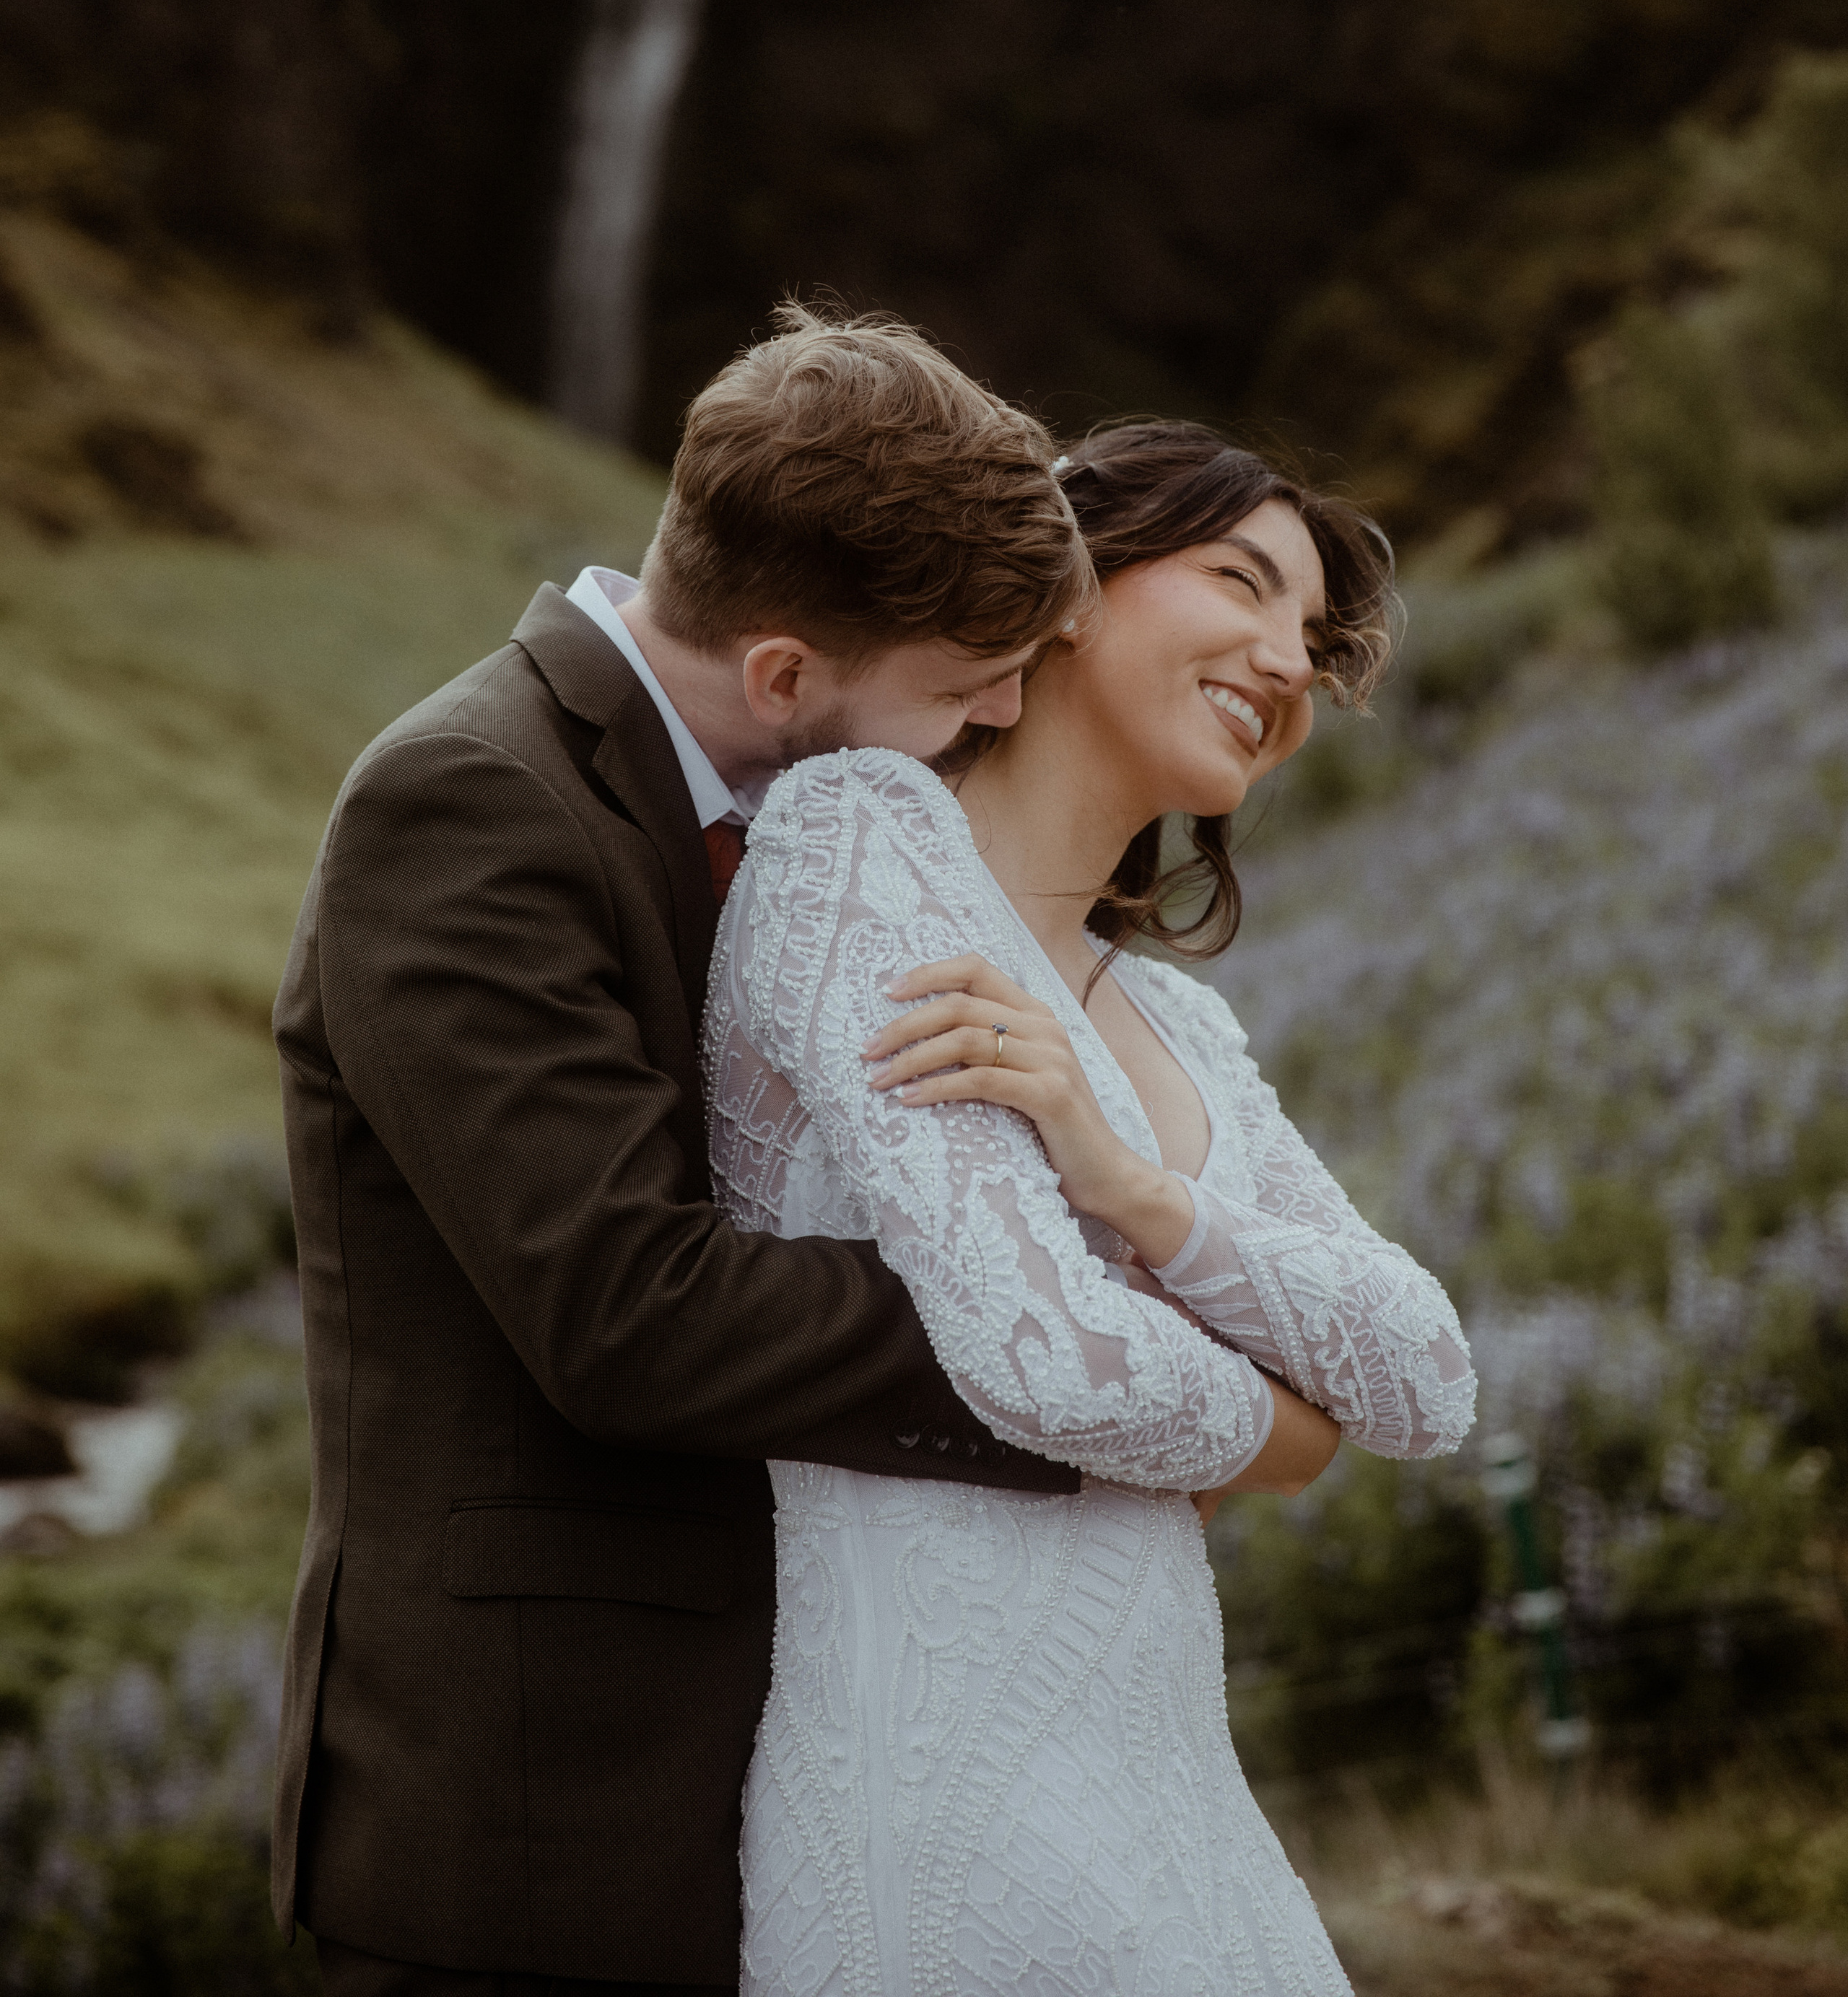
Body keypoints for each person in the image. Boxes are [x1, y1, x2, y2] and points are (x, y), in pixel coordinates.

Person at [271, 307, 1115, 1994]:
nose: (1007, 712)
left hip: (795, 1791)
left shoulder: (802, 815)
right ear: (783, 674)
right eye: (965, 684)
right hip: (542, 1822)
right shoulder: (467, 803)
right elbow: (627, 1311)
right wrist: (1077, 1345)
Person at [705, 419, 1477, 1996]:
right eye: (1240, 585)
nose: (1289, 663)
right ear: (1069, 587)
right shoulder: (859, 840)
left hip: (1172, 1797)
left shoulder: (1179, 1026)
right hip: (943, 1803)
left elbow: (1425, 1377)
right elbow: (1050, 1364)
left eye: (1311, 635)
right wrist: (1289, 1430)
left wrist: (1134, 1193)